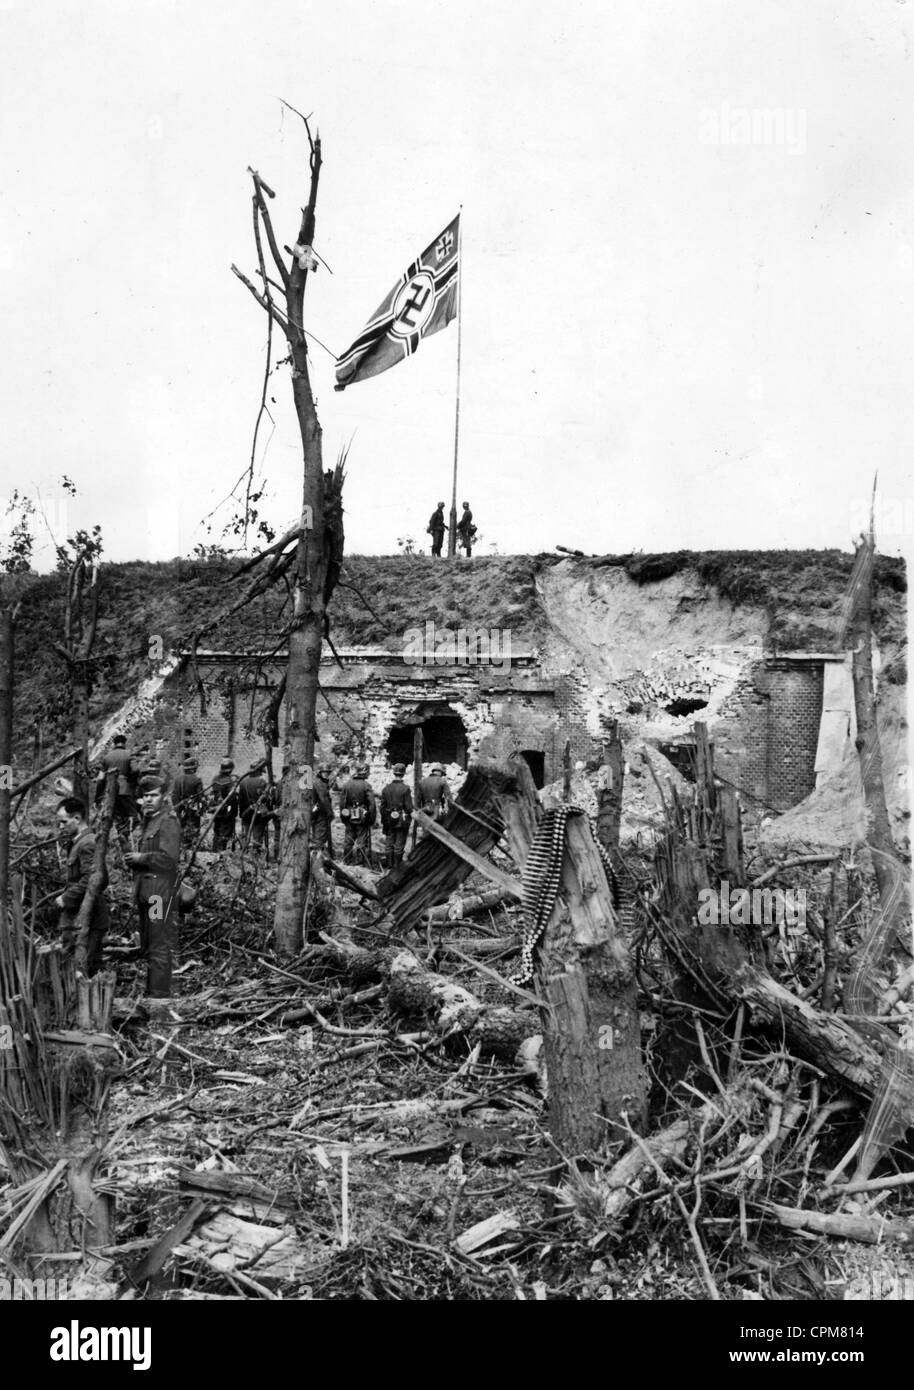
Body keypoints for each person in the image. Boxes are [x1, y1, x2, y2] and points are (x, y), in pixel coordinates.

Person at [124, 774, 181, 1004]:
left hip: (158, 895)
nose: (148, 800)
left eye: (153, 795)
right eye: (145, 796)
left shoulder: (168, 820)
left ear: (163, 796)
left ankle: (159, 997)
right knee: (147, 943)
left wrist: (142, 857)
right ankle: (151, 992)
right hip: (147, 893)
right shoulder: (149, 820)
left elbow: (169, 860)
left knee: (158, 944)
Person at [55, 796, 109, 976]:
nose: (60, 827)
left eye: (63, 822)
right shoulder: (78, 842)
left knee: (84, 967)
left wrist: (66, 898)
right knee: (75, 965)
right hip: (78, 914)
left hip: (89, 916)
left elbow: (94, 879)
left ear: (77, 819)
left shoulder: (88, 843)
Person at [95, 733, 139, 836]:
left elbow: (100, 779)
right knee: (133, 817)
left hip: (111, 793)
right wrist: (131, 782)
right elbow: (136, 770)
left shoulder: (106, 757)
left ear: (114, 744)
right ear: (124, 743)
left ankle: (122, 839)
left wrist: (97, 796)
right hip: (125, 790)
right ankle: (134, 839)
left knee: (118, 819)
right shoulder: (129, 754)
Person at [339, 763, 376, 866]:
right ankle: (360, 862)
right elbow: (372, 804)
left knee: (348, 840)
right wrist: (371, 819)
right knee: (361, 839)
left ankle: (347, 861)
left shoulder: (347, 785)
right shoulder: (366, 785)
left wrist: (344, 817)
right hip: (362, 817)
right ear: (365, 772)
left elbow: (342, 803)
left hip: (349, 816)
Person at [380, 763, 413, 868]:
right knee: (399, 842)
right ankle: (397, 866)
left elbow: (382, 807)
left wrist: (385, 818)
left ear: (394, 773)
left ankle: (389, 864)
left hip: (388, 819)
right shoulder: (405, 789)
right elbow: (409, 808)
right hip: (401, 820)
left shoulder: (386, 788)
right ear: (403, 774)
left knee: (389, 842)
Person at [238, 762, 269, 851]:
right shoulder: (262, 782)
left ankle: (244, 852)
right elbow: (265, 800)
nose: (261, 774)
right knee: (257, 839)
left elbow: (240, 800)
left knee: (245, 837)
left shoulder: (243, 783)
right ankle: (255, 854)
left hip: (246, 813)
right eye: (260, 772)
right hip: (259, 816)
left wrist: (241, 814)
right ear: (258, 771)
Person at [171, 757, 204, 840]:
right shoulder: (197, 780)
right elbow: (200, 797)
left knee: (181, 829)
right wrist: (201, 810)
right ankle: (192, 847)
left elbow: (174, 796)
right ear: (193, 769)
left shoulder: (177, 779)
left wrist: (178, 810)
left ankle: (182, 846)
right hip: (193, 810)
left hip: (180, 809)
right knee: (193, 830)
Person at [209, 758, 237, 851]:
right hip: (226, 811)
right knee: (225, 833)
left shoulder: (215, 779)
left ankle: (214, 851)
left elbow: (213, 793)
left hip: (216, 810)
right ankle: (221, 854)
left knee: (217, 831)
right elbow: (231, 798)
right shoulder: (229, 781)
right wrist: (232, 812)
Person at [311, 765, 335, 859]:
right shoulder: (319, 783)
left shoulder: (320, 782)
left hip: (318, 813)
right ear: (320, 773)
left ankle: (320, 858)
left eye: (328, 773)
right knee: (320, 837)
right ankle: (317, 860)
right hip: (320, 813)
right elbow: (323, 799)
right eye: (325, 772)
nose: (327, 774)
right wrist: (330, 813)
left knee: (320, 836)